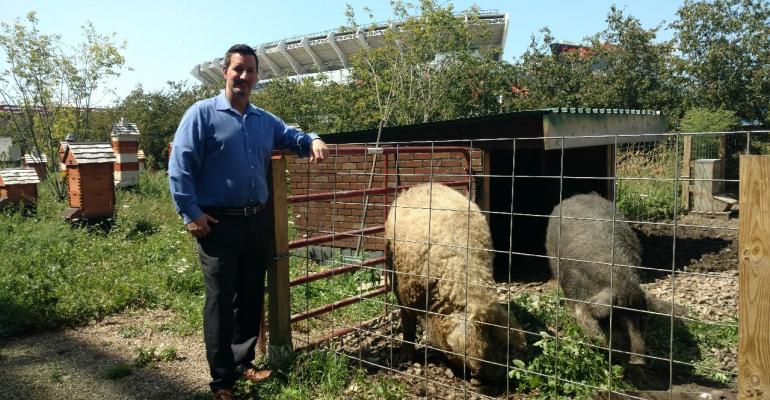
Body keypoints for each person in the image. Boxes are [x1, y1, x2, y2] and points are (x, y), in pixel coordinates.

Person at [168, 44, 329, 400]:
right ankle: (222, 381)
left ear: (257, 76)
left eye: (250, 70)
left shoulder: (264, 121)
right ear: (225, 71)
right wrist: (191, 214)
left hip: (256, 221)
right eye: (238, 69)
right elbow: (179, 168)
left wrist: (313, 139)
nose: (244, 76)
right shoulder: (201, 114)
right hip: (218, 224)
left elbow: (293, 138)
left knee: (252, 296)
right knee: (221, 301)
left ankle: (243, 362)